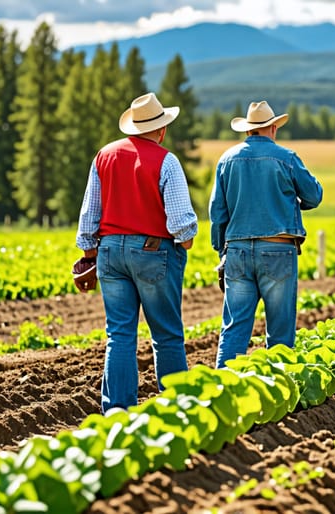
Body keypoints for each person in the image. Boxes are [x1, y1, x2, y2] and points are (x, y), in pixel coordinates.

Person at [75, 92, 198, 412]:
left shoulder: (104, 156)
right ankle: (175, 408)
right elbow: (182, 224)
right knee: (167, 335)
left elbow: (89, 217)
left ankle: (117, 409)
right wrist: (187, 240)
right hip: (154, 251)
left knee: (119, 335)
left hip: (110, 253)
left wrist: (89, 255)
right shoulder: (167, 161)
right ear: (161, 130)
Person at [210, 100, 323, 367]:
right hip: (278, 250)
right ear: (273, 127)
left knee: (234, 328)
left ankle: (223, 390)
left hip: (236, 250)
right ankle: (277, 391)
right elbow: (314, 196)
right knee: (280, 331)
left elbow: (217, 213)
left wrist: (221, 251)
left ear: (248, 130)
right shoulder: (287, 158)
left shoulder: (227, 160)